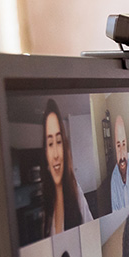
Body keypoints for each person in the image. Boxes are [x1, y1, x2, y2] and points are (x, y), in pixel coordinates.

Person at [40, 99, 92, 236]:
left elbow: (91, 235)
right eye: (50, 144)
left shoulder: (76, 194)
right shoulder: (46, 207)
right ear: (45, 152)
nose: (56, 154)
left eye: (59, 141)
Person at [109, 115, 129, 211]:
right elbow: (114, 210)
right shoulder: (114, 179)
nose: (122, 153)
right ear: (115, 149)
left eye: (124, 144)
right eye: (118, 146)